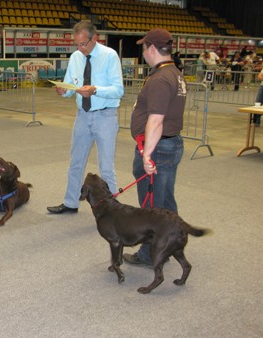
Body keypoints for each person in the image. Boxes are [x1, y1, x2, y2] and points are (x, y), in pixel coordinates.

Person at [123, 28, 187, 266]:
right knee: (165, 202)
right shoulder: (173, 73)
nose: (143, 52)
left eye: (144, 47)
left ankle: (151, 253)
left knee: (152, 207)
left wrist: (147, 155)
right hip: (168, 145)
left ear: (151, 48)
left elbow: (156, 120)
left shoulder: (161, 78)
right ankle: (171, 244)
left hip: (157, 148)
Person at [47, 21, 124, 214]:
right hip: (82, 115)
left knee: (106, 167)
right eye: (77, 44)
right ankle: (71, 202)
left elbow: (118, 90)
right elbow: (69, 89)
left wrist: (95, 89)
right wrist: (62, 91)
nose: (80, 48)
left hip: (105, 115)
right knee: (76, 162)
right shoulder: (75, 57)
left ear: (94, 38)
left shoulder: (110, 56)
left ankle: (114, 210)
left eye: (83, 44)